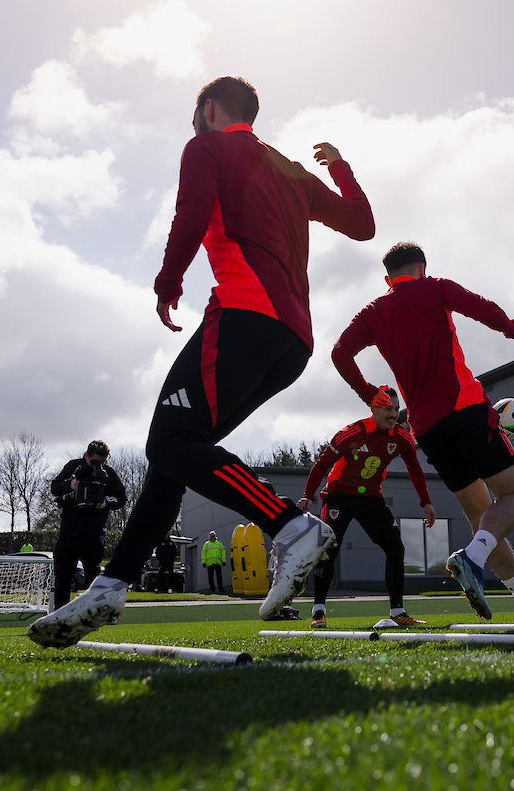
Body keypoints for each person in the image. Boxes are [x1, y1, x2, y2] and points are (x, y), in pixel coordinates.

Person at [29, 76, 375, 647]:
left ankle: (289, 525)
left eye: (195, 111)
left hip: (243, 317)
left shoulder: (207, 146)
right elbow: (362, 226)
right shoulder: (291, 169)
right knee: (176, 455)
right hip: (293, 342)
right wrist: (340, 168)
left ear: (209, 108)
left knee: (168, 444)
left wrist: (168, 280)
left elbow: (190, 212)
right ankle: (111, 585)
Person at [331, 242, 514, 625]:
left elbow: (339, 353)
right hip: (465, 411)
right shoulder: (436, 287)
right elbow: (484, 308)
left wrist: (370, 395)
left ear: (388, 279)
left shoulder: (374, 312)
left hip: (427, 430)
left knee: (483, 513)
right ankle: (472, 558)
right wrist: (512, 328)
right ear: (422, 268)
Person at [299, 386, 435, 627]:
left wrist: (426, 502)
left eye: (396, 409)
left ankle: (398, 612)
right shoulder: (351, 433)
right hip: (339, 495)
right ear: (373, 409)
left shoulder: (401, 437)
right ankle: (318, 611)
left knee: (395, 547)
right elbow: (321, 465)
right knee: (329, 547)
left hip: (371, 498)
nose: (394, 414)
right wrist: (308, 496)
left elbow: (414, 468)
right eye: (387, 409)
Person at [48, 440, 128, 610]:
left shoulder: (109, 474)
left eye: (102, 462)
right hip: (69, 533)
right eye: (94, 461)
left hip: (93, 533)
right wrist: (70, 485)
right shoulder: (73, 467)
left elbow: (121, 499)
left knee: (93, 577)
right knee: (62, 576)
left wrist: (105, 502)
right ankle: (60, 614)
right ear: (86, 456)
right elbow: (55, 487)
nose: (98, 465)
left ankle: (91, 614)